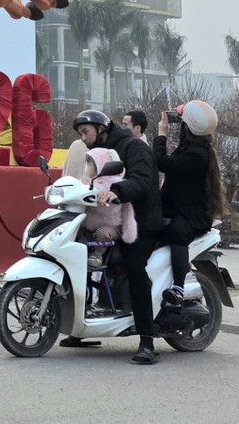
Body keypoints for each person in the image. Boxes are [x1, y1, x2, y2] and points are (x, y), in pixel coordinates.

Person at [72, 109, 165, 365]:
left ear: (101, 128)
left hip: (141, 221)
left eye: (85, 132)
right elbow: (87, 181)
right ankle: (79, 328)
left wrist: (118, 191)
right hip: (108, 218)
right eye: (81, 135)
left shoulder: (133, 148)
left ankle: (147, 340)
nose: (84, 139)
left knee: (134, 267)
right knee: (79, 252)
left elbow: (142, 180)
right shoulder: (97, 154)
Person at [154, 101, 226, 307]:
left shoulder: (196, 154)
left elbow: (161, 162)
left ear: (188, 127)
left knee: (177, 232)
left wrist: (162, 133)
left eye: (182, 122)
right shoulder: (193, 148)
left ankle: (179, 285)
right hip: (179, 209)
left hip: (190, 216)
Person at [80, 148, 137, 267]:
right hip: (88, 223)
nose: (88, 166)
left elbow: (128, 210)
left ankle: (97, 255)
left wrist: (129, 230)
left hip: (111, 226)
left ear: (100, 165)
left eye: (91, 163)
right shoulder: (86, 182)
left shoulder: (115, 184)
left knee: (103, 233)